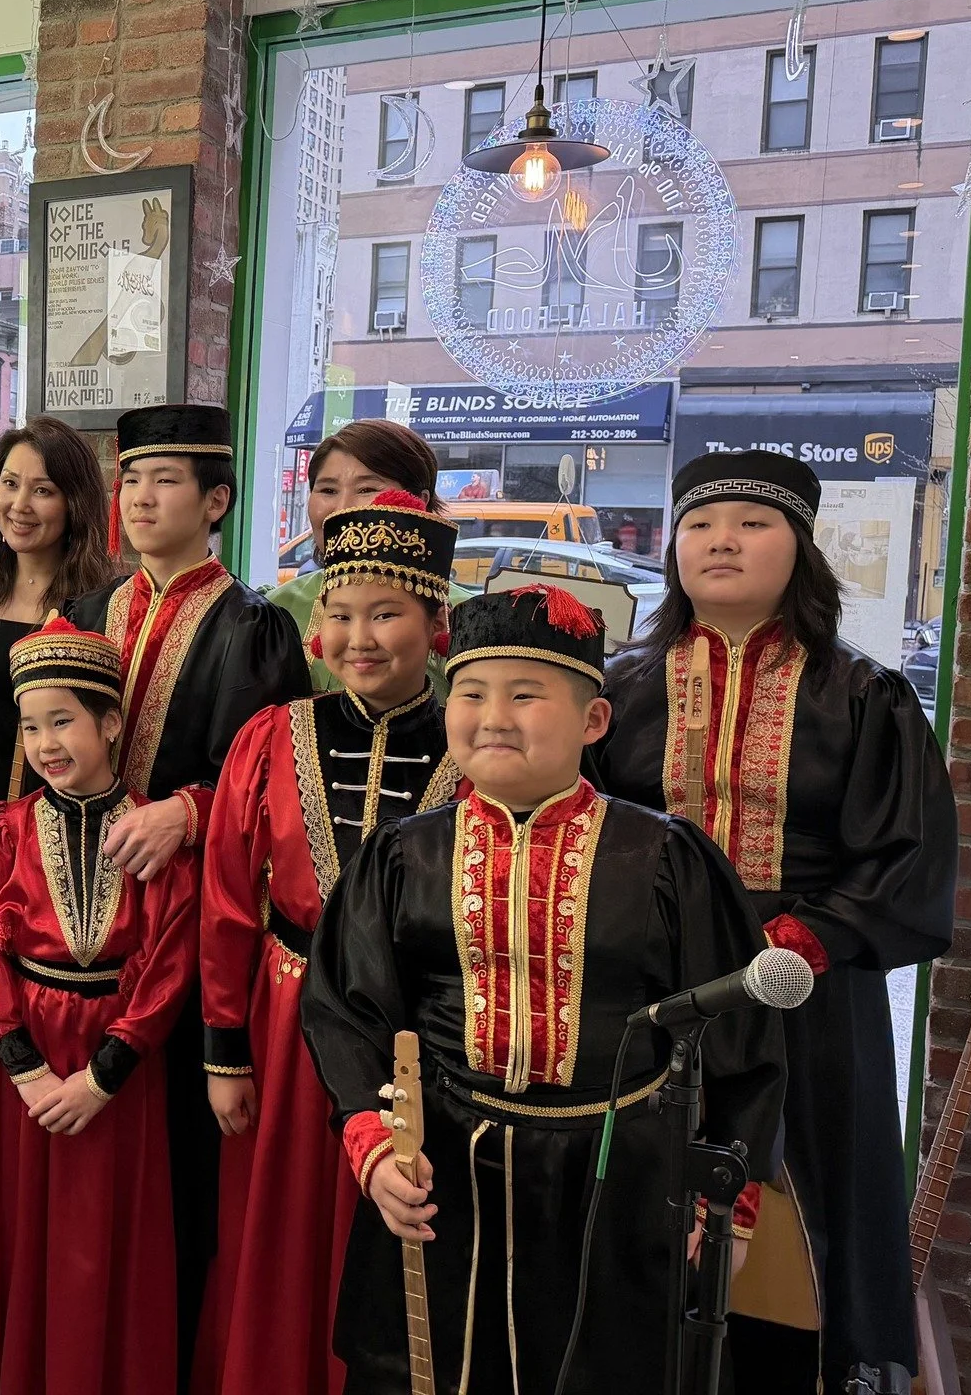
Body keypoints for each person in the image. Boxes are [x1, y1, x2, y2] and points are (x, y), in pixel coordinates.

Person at [301, 585, 787, 1393]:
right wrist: (373, 1144)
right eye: (471, 693)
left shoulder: (667, 858)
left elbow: (741, 1036)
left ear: (593, 721)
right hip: (445, 1175)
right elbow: (345, 1012)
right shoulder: (401, 857)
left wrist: (726, 1205)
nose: (493, 717)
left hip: (623, 1181)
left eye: (525, 695)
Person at [589, 450, 956, 1394]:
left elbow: (906, 859)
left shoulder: (864, 695)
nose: (722, 542)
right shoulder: (617, 691)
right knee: (641, 1207)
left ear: (801, 547)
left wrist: (795, 947)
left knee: (816, 1214)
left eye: (753, 524)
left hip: (809, 991)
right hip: (657, 991)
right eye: (700, 525)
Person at [194, 490, 460, 1395]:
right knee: (277, 1233)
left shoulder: (471, 746)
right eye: (341, 614)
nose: (360, 638)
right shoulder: (272, 736)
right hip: (283, 1020)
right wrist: (224, 1052)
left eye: (386, 614)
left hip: (421, 1039)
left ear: (435, 622)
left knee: (398, 1233)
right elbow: (228, 903)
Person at [63, 402, 309, 1378]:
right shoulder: (87, 612)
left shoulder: (255, 628)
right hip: (80, 913)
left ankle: (167, 1355)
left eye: (165, 480)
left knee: (177, 1152)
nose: (139, 497)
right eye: (130, 478)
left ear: (215, 501)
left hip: (190, 916)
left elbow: (276, 778)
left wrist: (192, 809)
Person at [0, 620, 199, 1395]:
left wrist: (100, 1078)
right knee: (20, 1231)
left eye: (62, 721)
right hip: (25, 1068)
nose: (45, 744)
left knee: (106, 1238)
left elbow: (167, 965)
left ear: (111, 722)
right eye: (31, 726)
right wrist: (24, 1071)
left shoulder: (156, 838)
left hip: (117, 1070)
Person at [0, 416, 117, 812]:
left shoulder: (100, 605)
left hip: (57, 812)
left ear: (74, 503)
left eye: (42, 490)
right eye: (10, 483)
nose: (20, 505)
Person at [269, 418, 469, 692]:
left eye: (366, 489)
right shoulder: (276, 609)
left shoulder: (468, 617)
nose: (342, 508)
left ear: (419, 501)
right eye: (328, 490)